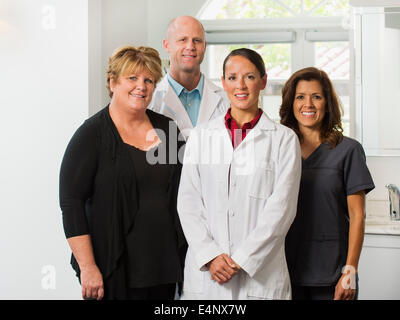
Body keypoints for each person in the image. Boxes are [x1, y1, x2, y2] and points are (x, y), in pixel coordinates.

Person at [59, 45, 187, 300]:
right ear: (113, 82)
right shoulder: (92, 134)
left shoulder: (168, 129)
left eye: (149, 80)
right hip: (114, 269)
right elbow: (71, 203)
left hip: (163, 266)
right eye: (132, 78)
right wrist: (88, 267)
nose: (142, 86)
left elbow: (188, 191)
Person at [177, 48, 301, 300]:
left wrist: (242, 260)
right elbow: (188, 203)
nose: (240, 85)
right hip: (208, 277)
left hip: (261, 277)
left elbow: (282, 210)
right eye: (232, 77)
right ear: (223, 83)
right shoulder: (201, 136)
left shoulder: (284, 140)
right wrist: (210, 255)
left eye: (250, 77)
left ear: (263, 81)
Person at [280, 67, 375, 300]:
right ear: (291, 103)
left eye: (317, 97)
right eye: (300, 97)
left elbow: (358, 216)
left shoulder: (348, 150)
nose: (308, 104)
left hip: (334, 274)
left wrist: (350, 272)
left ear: (327, 103)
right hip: (285, 271)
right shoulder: (280, 148)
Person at [148, 15, 229, 140]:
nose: (190, 46)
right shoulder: (150, 101)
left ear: (205, 46)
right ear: (167, 45)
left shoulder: (226, 101)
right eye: (182, 40)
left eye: (197, 40)